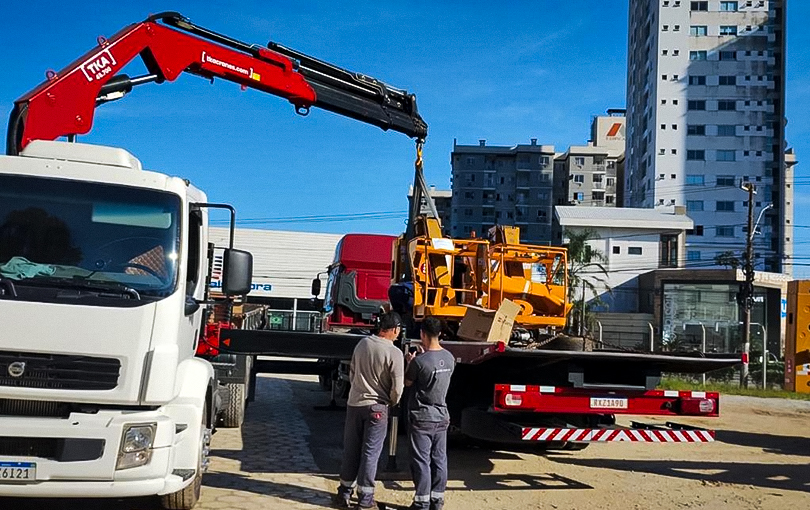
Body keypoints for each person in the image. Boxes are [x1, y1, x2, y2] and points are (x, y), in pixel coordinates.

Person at [335, 312, 405, 509]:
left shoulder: (362, 344)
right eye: (399, 330)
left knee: (351, 450)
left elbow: (352, 373)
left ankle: (344, 493)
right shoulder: (394, 353)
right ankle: (365, 499)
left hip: (355, 404)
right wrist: (391, 402)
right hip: (377, 408)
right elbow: (398, 388)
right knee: (370, 453)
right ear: (394, 329)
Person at [404, 317, 455, 510]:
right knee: (439, 459)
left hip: (422, 417)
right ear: (440, 333)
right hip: (442, 416)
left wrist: (410, 362)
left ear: (422, 334)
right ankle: (437, 501)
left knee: (421, 461)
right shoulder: (449, 358)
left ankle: (421, 502)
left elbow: (408, 383)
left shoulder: (419, 362)